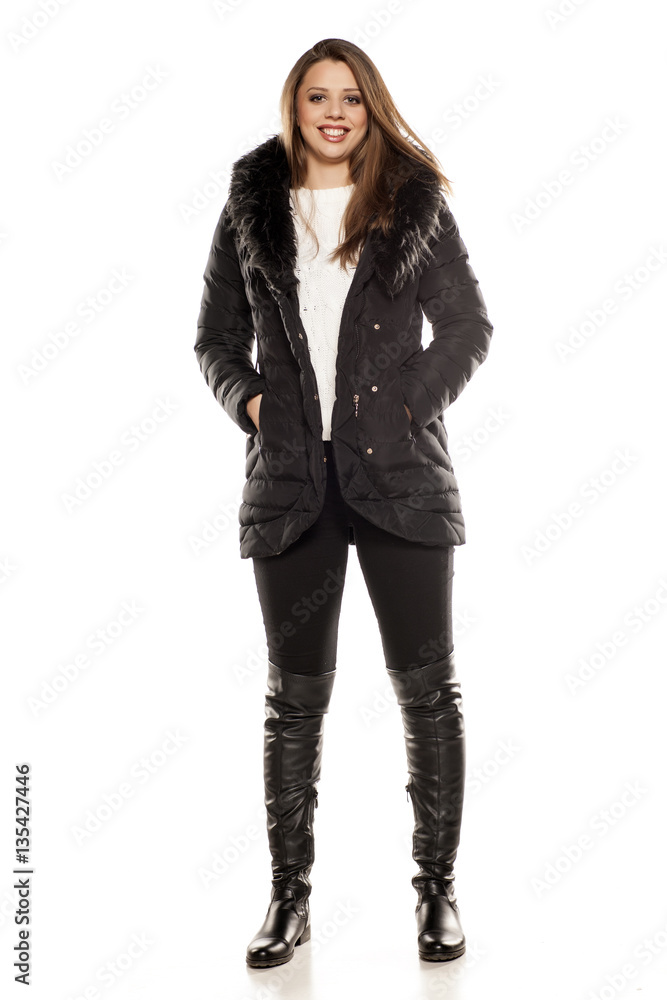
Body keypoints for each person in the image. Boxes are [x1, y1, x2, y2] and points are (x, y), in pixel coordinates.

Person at [194, 38, 493, 968]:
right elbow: (214, 339)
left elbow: (467, 326)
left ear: (372, 108)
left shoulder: (411, 203)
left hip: (400, 477)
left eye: (352, 98)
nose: (334, 113)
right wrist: (255, 405)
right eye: (318, 96)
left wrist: (406, 406)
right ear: (295, 104)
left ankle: (436, 892)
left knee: (427, 691)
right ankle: (288, 900)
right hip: (291, 484)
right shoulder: (251, 209)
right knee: (294, 700)